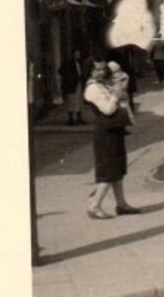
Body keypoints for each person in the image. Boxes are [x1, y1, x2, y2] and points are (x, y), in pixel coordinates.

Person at [83, 61, 140, 219]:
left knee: (118, 169)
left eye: (103, 69)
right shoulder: (92, 88)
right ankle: (94, 206)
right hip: (105, 132)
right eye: (97, 69)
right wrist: (115, 96)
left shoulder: (103, 84)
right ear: (90, 71)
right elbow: (107, 110)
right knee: (108, 171)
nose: (101, 72)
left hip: (114, 130)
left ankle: (121, 204)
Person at [58, 49, 86, 125]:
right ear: (73, 54)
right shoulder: (68, 63)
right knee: (71, 101)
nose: (78, 55)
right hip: (71, 85)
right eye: (76, 54)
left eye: (79, 54)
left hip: (79, 83)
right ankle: (71, 119)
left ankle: (79, 117)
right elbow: (61, 71)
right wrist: (69, 77)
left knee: (79, 101)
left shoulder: (80, 63)